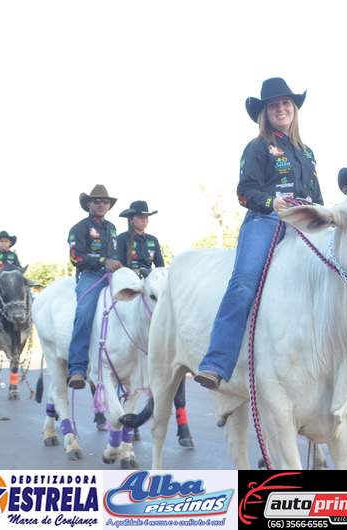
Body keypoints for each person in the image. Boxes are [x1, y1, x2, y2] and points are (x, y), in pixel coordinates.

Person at [195, 77, 324, 390]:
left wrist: (323, 219)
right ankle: (216, 362)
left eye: (285, 103)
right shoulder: (257, 147)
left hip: (303, 222)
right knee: (243, 282)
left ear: (293, 108)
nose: (281, 109)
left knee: (331, 275)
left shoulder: (307, 153)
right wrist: (271, 202)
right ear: (265, 113)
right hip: (266, 220)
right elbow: (245, 192)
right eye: (273, 105)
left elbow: (318, 197)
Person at [116, 200, 194, 447]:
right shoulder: (121, 240)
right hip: (133, 289)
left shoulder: (153, 241)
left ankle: (183, 423)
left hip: (152, 289)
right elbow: (119, 271)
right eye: (140, 216)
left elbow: (160, 267)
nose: (144, 220)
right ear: (131, 219)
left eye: (146, 216)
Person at [66, 185, 121, 389]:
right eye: (97, 201)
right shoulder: (79, 228)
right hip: (91, 275)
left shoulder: (112, 228)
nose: (101, 204)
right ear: (89, 204)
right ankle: (77, 369)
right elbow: (75, 257)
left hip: (115, 275)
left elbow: (116, 254)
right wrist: (103, 261)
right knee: (84, 313)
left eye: (105, 202)